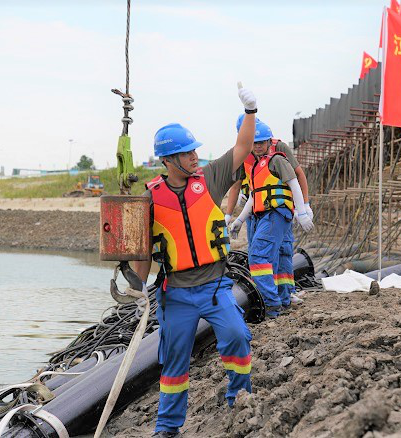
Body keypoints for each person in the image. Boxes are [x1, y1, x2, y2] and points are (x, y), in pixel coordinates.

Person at [132, 85, 258, 438]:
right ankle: (167, 428)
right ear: (168, 160)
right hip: (175, 294)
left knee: (236, 336)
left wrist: (250, 112)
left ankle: (239, 399)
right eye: (186, 153)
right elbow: (142, 250)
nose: (194, 157)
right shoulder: (149, 198)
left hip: (215, 286)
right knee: (174, 362)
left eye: (194, 151)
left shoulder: (209, 179)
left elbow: (243, 147)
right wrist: (138, 289)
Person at [229, 122, 314, 318]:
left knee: (259, 255)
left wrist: (302, 211)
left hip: (276, 213)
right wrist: (239, 220)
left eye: (261, 142)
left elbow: (294, 183)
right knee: (271, 256)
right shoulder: (257, 166)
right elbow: (254, 196)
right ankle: (282, 299)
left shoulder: (277, 160)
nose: (258, 146)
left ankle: (271, 303)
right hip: (264, 215)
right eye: (255, 143)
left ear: (269, 142)